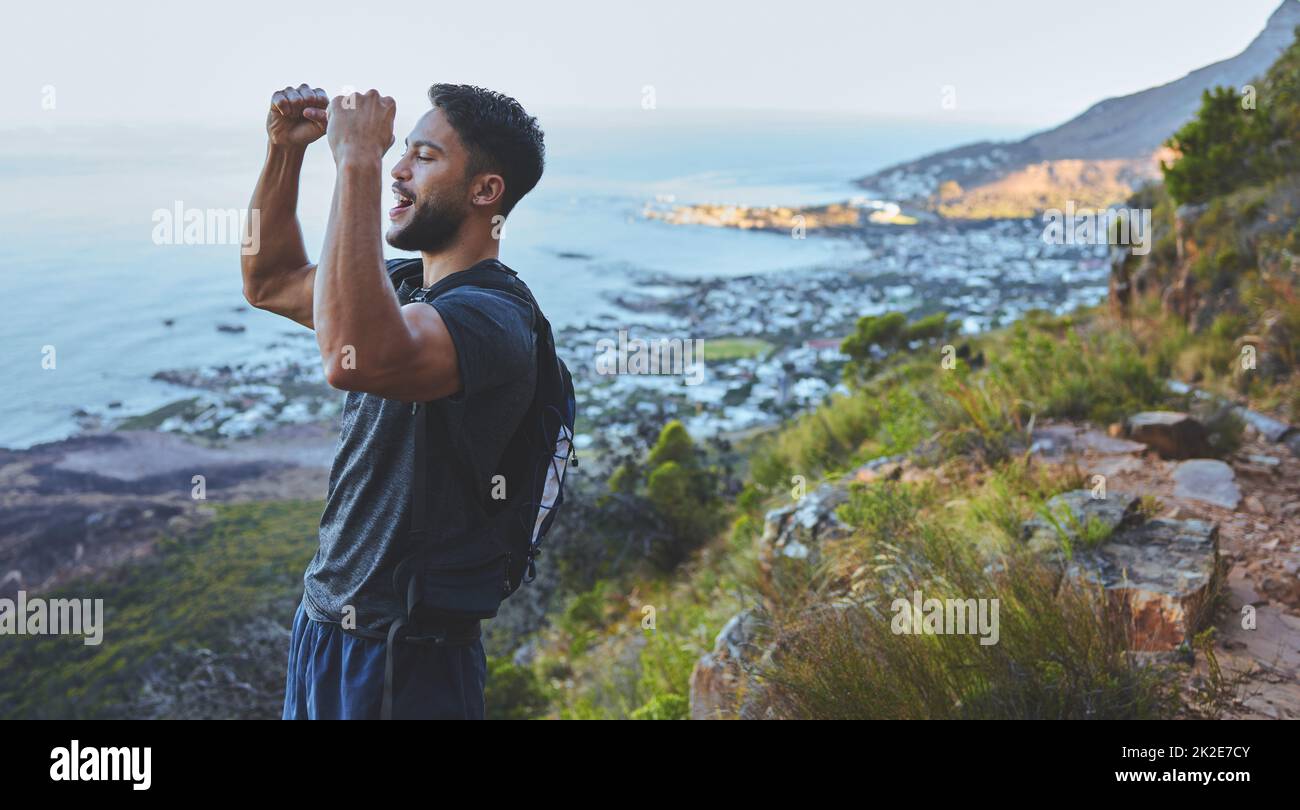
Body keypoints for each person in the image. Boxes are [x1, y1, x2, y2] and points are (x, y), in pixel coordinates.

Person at [240, 82, 546, 719]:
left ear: (485, 191)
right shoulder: (406, 287)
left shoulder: (496, 318)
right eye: (399, 152)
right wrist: (283, 153)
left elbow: (357, 355)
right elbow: (267, 279)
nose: (399, 170)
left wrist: (357, 160)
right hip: (324, 629)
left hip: (405, 658)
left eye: (424, 157)